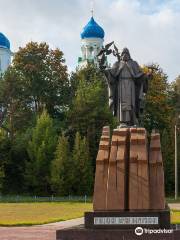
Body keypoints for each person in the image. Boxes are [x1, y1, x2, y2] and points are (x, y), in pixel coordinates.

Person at [103, 47, 150, 126]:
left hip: (131, 86)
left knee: (132, 103)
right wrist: (105, 71)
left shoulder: (134, 63)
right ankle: (123, 122)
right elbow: (111, 74)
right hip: (121, 86)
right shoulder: (117, 64)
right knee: (122, 104)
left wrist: (146, 75)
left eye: (126, 53)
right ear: (121, 55)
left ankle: (133, 121)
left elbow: (139, 75)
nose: (124, 55)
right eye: (123, 54)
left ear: (129, 55)